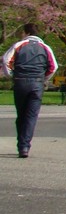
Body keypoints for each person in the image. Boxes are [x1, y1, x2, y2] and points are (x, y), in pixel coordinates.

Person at [2, 22, 59, 158]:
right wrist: (43, 79)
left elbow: (6, 60)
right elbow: (53, 67)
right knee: (31, 116)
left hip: (21, 81)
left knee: (21, 114)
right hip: (37, 83)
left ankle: (21, 144)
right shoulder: (45, 47)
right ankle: (25, 146)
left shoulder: (18, 45)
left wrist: (12, 75)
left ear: (26, 32)